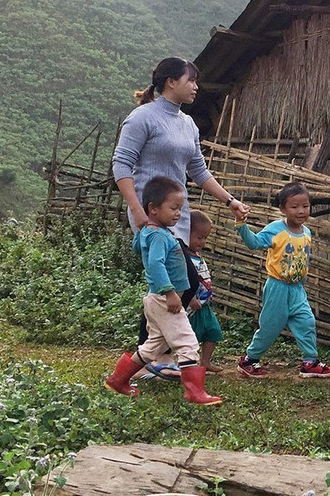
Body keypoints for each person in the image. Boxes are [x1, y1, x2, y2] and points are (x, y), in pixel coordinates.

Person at [112, 57, 249, 376]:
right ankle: (152, 358)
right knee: (171, 283)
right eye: (191, 80)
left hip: (179, 214)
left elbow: (198, 170)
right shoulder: (142, 118)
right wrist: (138, 211)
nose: (196, 86)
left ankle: (154, 355)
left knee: (184, 284)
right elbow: (121, 165)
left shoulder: (187, 123)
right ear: (171, 82)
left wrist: (230, 200)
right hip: (151, 214)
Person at [104, 176, 222, 405]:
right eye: (173, 208)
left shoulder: (154, 232)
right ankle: (194, 392)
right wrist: (170, 292)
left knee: (152, 348)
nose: (178, 213)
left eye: (180, 208)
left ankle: (117, 380)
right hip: (165, 300)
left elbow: (138, 246)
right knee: (188, 343)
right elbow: (155, 264)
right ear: (153, 209)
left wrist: (142, 231)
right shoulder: (159, 235)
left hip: (156, 300)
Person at [234, 182, 330, 379]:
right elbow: (254, 243)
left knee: (307, 322)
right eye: (295, 206)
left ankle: (310, 362)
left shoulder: (307, 232)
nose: (301, 211)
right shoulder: (276, 229)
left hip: (297, 288)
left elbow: (303, 259)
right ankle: (249, 360)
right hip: (277, 287)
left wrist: (302, 280)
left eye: (305, 206)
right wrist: (241, 226)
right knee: (270, 327)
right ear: (282, 208)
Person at [185, 210, 223, 373]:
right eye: (199, 238)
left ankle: (205, 362)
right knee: (189, 338)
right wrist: (191, 297)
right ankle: (187, 365)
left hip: (205, 305)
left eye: (205, 238)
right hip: (192, 307)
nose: (203, 242)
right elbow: (184, 280)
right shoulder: (184, 258)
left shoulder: (197, 255)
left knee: (213, 332)